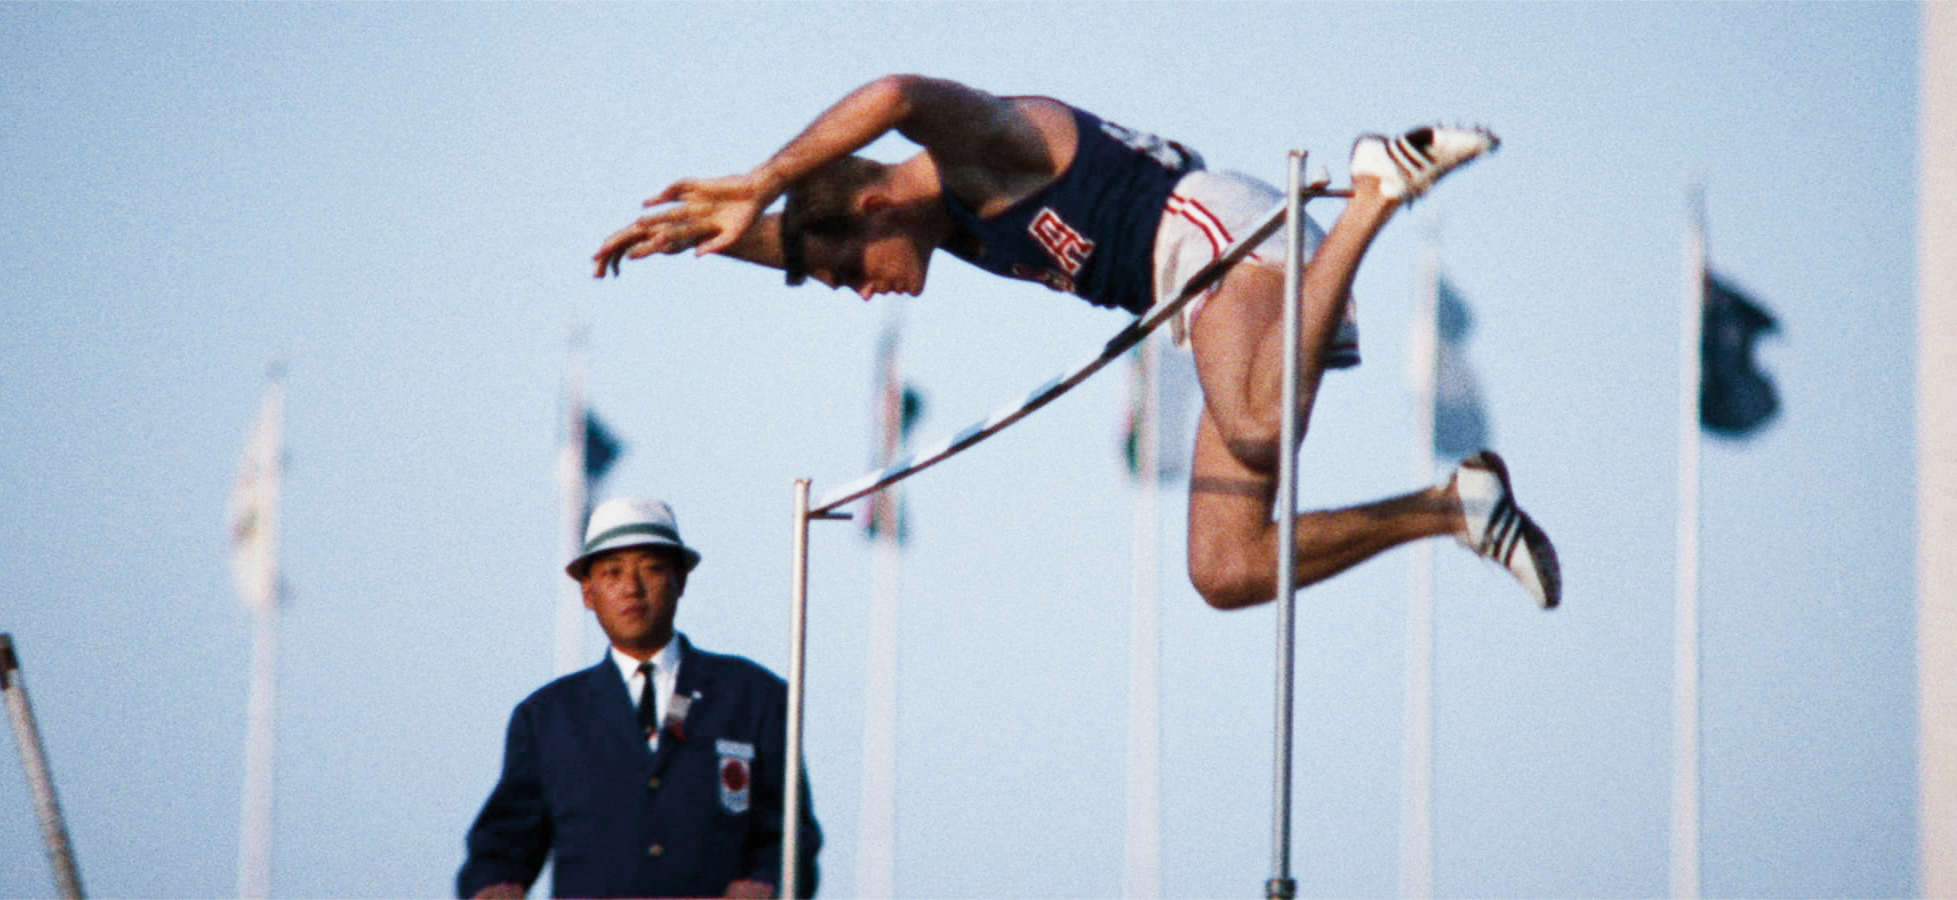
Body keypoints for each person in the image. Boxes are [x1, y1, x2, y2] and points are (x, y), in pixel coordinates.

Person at [592, 74, 1559, 611]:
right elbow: (813, 236)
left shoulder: (984, 150)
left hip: (1211, 229)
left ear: (878, 206)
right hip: (1189, 286)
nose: (863, 295)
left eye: (854, 274)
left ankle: (1375, 191)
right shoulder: (930, 221)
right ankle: (1452, 508)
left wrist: (760, 178)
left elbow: (893, 91)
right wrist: (704, 237)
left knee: (1257, 429)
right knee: (1225, 569)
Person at [458, 497, 822, 899]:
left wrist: (767, 881)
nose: (631, 587)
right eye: (612, 572)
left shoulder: (753, 698)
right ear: (588, 592)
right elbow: (504, 841)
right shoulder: (547, 717)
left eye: (651, 568)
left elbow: (791, 834)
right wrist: (493, 886)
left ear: (681, 580)